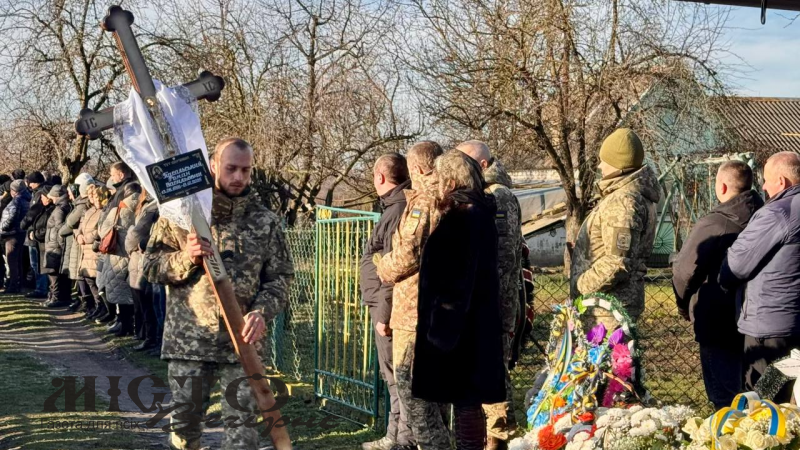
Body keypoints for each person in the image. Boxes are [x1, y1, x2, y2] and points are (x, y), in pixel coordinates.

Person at [144, 138, 294, 450]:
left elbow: (280, 278)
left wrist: (262, 311)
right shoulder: (180, 216)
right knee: (185, 426)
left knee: (242, 434)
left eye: (245, 170)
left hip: (242, 344)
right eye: (231, 169)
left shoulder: (264, 221)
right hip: (190, 340)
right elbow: (150, 268)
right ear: (213, 166)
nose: (238, 176)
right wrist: (186, 256)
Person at [413, 150, 505, 450]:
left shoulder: (463, 218)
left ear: (450, 182)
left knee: (466, 401)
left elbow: (455, 281)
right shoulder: (477, 213)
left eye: (438, 179)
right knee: (468, 401)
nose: (435, 185)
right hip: (473, 325)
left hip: (459, 330)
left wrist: (439, 333)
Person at [376, 141, 451, 450]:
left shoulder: (425, 202)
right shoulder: (453, 198)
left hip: (414, 313)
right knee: (438, 397)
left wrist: (382, 266)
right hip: (443, 311)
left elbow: (408, 253)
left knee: (416, 399)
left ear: (418, 169)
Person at [672, 161, 763, 409]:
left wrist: (683, 303)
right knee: (755, 396)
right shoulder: (766, 219)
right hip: (756, 321)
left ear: (721, 186)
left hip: (717, 320)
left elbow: (684, 271)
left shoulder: (715, 224)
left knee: (723, 398)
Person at [457, 140, 523, 449]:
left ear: (482, 165)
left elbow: (503, 255)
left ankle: (498, 440)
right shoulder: (480, 196)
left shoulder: (499, 197)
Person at [719, 151, 800, 402]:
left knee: (765, 404)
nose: (763, 187)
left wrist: (723, 277)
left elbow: (737, 265)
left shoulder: (778, 213)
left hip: (770, 330)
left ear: (782, 182)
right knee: (795, 402)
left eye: (766, 180)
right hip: (796, 324)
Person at [570, 128, 660, 328]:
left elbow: (617, 261)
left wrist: (581, 285)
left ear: (619, 164)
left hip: (606, 312)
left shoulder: (623, 201)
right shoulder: (630, 195)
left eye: (605, 160)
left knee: (606, 359)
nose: (600, 166)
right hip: (608, 306)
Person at [359, 153, 414, 450]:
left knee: (397, 376)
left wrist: (384, 314)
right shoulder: (394, 207)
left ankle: (402, 439)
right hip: (381, 303)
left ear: (380, 177)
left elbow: (394, 269)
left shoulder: (397, 211)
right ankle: (395, 434)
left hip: (389, 308)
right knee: (391, 374)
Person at [98, 182, 140, 336]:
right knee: (133, 294)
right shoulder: (144, 208)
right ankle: (134, 326)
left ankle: (124, 325)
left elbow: (103, 231)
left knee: (120, 293)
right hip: (135, 256)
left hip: (117, 255)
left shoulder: (118, 210)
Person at [125, 190, 160, 352]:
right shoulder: (146, 205)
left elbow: (137, 233)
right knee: (145, 301)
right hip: (140, 259)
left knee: (151, 302)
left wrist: (141, 244)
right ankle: (149, 337)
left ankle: (153, 339)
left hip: (148, 258)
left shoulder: (154, 207)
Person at [60, 175, 95, 312]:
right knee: (79, 273)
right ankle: (82, 299)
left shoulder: (82, 205)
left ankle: (87, 301)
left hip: (81, 243)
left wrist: (63, 231)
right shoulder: (80, 204)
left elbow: (69, 223)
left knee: (82, 273)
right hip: (77, 240)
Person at [79, 185, 110, 321]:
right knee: (89, 279)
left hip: (95, 250)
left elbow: (100, 230)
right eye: (92, 196)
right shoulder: (89, 211)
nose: (94, 199)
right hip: (85, 251)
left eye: (96, 196)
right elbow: (80, 227)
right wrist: (79, 236)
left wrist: (87, 238)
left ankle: (104, 307)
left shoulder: (104, 212)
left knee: (98, 281)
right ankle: (98, 305)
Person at [21, 171, 51, 298]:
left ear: (34, 182)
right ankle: (41, 287)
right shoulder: (38, 192)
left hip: (36, 233)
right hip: (35, 232)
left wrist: (24, 223)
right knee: (36, 263)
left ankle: (41, 288)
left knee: (37, 263)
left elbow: (33, 213)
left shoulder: (39, 194)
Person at [42, 185, 73, 308]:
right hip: (56, 245)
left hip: (55, 246)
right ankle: (61, 297)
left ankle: (56, 297)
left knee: (54, 274)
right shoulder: (65, 207)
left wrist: (60, 245)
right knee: (60, 274)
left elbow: (60, 229)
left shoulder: (59, 210)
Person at [0, 180, 32, 293]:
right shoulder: (27, 199)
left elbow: (12, 217)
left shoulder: (17, 200)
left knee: (12, 260)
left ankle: (13, 286)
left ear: (15, 191)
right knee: (18, 260)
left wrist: (3, 227)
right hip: (21, 233)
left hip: (12, 234)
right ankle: (19, 283)